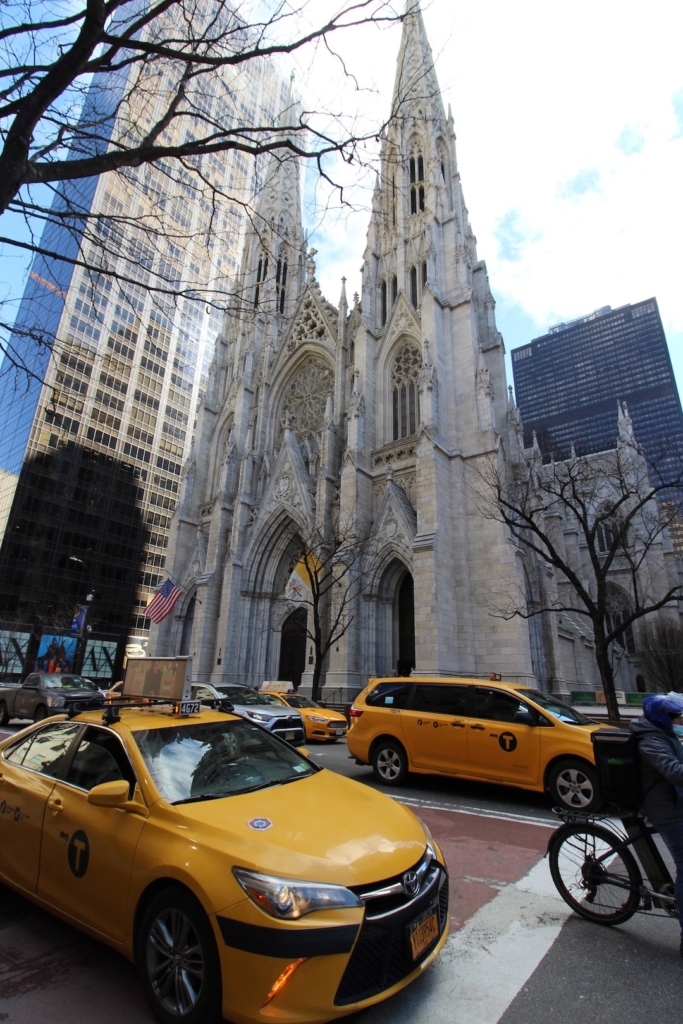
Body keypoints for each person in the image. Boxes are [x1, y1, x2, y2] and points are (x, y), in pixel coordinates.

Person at [630, 692, 683, 957]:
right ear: (661, 717)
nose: (679, 721)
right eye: (675, 717)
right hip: (665, 808)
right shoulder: (650, 738)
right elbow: (673, 771)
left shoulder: (662, 733)